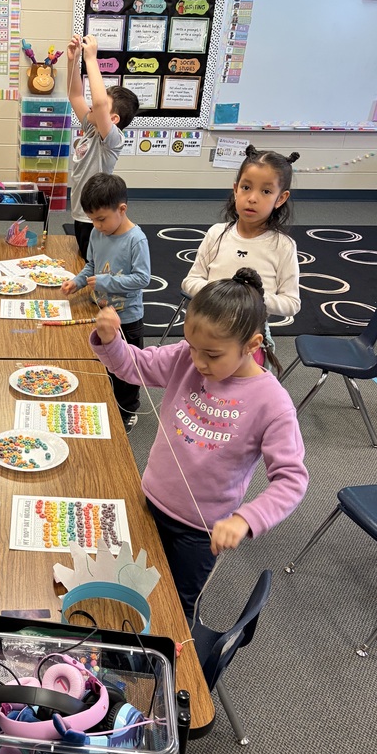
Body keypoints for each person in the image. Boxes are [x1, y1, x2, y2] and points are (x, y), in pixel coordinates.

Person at [90, 268, 308, 618]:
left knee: (175, 611)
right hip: (149, 503)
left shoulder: (272, 402)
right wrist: (110, 339)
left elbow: (292, 480)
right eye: (193, 348)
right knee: (129, 587)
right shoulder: (186, 358)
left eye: (212, 354)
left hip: (199, 532)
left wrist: (246, 519)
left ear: (252, 345)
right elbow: (134, 367)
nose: (198, 362)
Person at [182, 146, 301, 353]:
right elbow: (190, 281)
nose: (252, 198)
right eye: (246, 187)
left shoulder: (283, 246)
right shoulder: (216, 234)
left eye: (266, 191)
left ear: (281, 198)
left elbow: (291, 303)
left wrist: (251, 299)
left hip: (249, 342)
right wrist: (220, 294)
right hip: (205, 332)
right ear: (236, 189)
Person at [61, 173, 150, 432]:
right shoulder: (97, 233)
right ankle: (109, 402)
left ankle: (127, 409)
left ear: (121, 209)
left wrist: (106, 282)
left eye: (101, 219)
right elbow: (91, 265)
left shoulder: (136, 240)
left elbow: (142, 278)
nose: (97, 225)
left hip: (127, 318)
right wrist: (77, 282)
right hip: (101, 312)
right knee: (105, 363)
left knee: (127, 368)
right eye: (92, 220)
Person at [66, 34, 140, 262]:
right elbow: (74, 95)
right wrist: (73, 60)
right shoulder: (91, 127)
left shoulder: (112, 139)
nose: (93, 105)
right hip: (81, 212)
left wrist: (91, 59)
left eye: (102, 106)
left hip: (96, 217)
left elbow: (98, 103)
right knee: (84, 260)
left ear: (113, 119)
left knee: (94, 264)